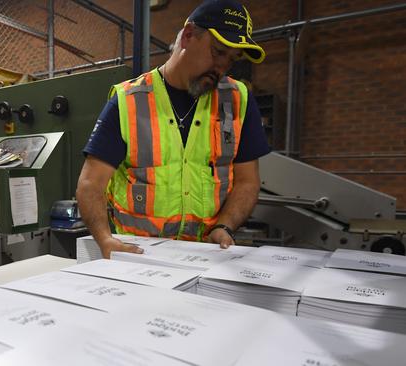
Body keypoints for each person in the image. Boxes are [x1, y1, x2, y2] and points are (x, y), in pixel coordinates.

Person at [76, 0, 271, 259]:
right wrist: (105, 239)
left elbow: (248, 181)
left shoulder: (237, 100)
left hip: (204, 256)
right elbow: (90, 183)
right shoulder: (129, 101)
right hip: (138, 255)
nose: (223, 67)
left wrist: (224, 226)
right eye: (218, 52)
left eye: (232, 59)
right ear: (189, 35)